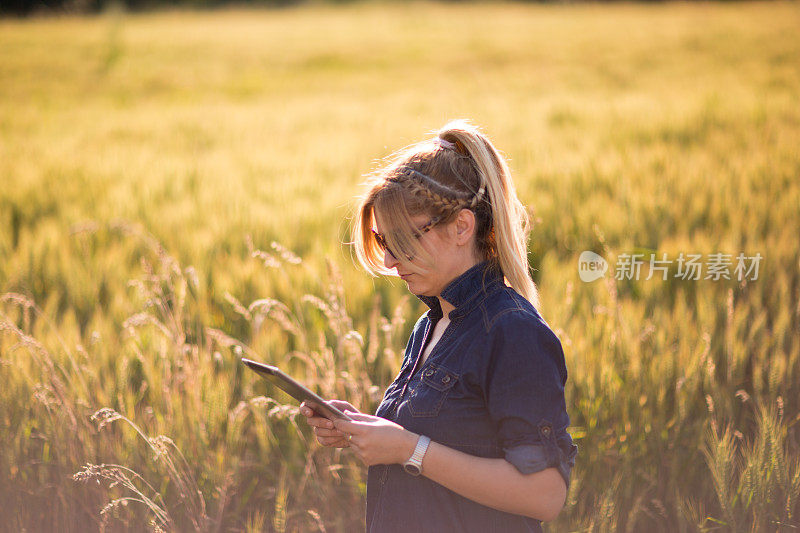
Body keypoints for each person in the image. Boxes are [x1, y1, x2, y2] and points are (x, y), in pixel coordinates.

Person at [300, 120, 577, 532]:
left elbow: (544, 495)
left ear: (462, 226)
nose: (391, 261)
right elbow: (444, 439)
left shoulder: (513, 333)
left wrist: (409, 449)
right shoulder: (432, 324)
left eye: (405, 240)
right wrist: (365, 428)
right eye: (383, 242)